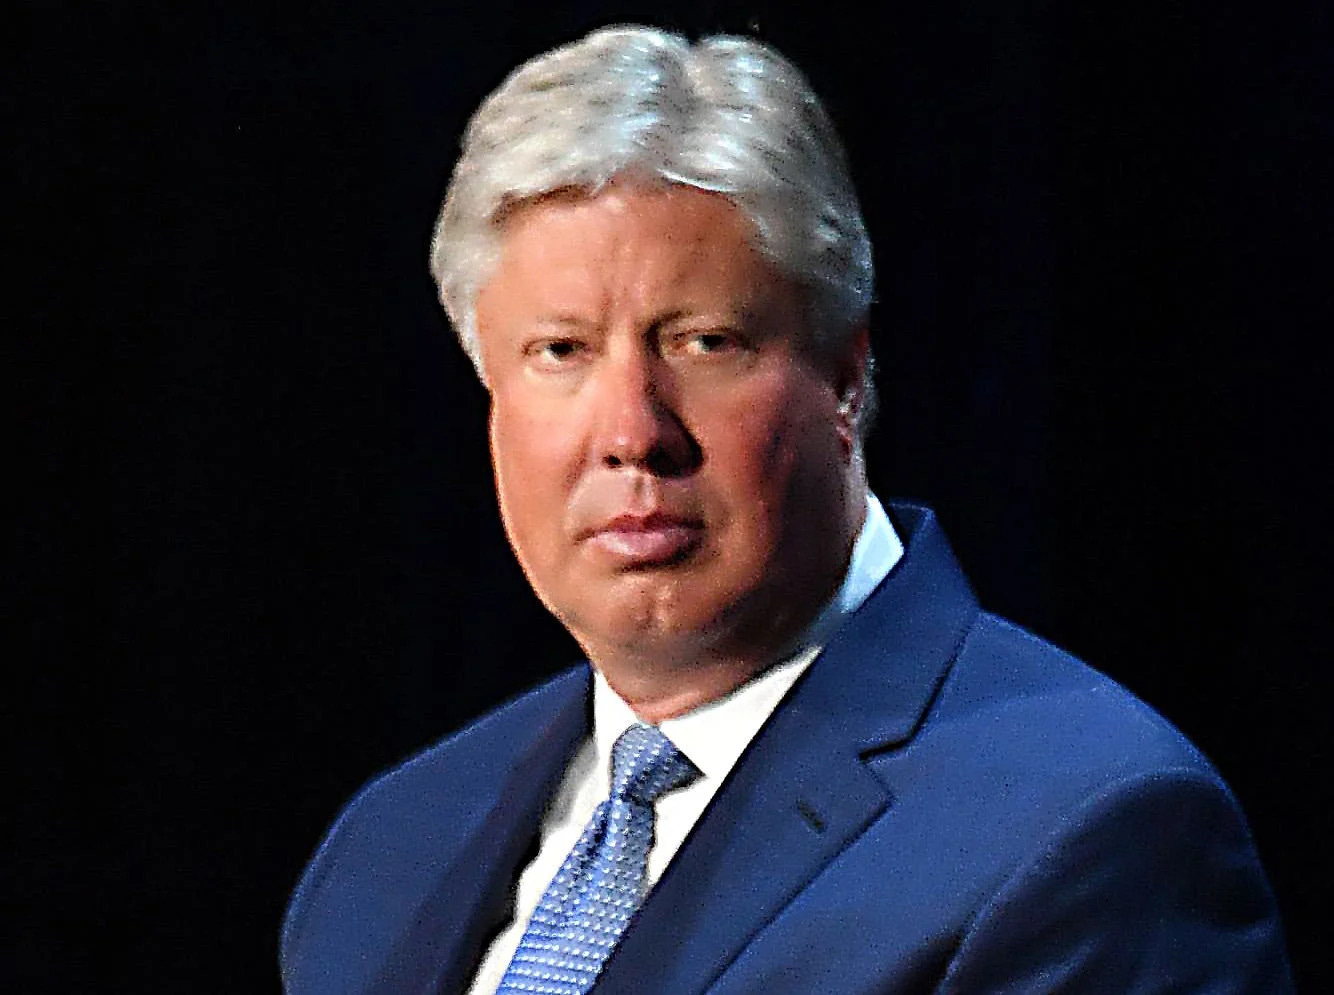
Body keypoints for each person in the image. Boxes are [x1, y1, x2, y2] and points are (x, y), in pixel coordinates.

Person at [280, 25, 1292, 994]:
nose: (631, 430)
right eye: (561, 351)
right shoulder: (388, 848)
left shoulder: (1082, 826)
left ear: (846, 379)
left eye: (702, 341)